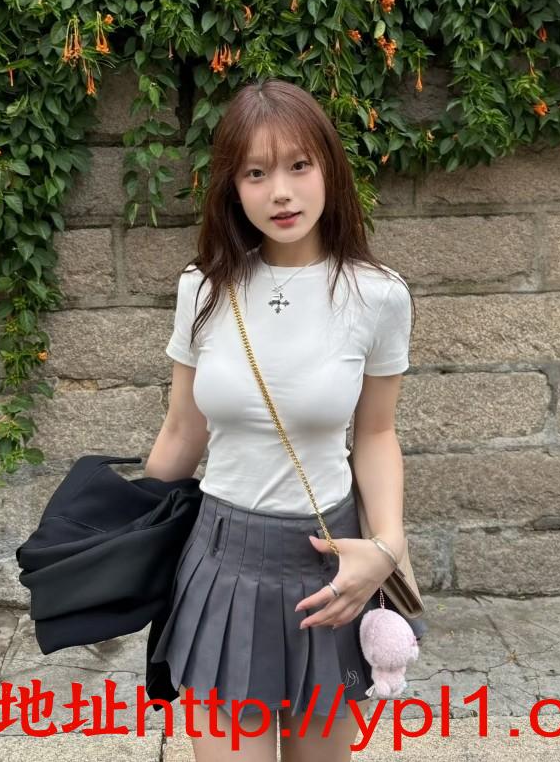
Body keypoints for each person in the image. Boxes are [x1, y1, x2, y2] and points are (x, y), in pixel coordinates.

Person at [145, 78, 424, 761]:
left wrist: (386, 547)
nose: (281, 193)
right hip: (218, 559)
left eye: (299, 165)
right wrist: (128, 540)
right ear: (232, 187)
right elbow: (182, 430)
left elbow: (376, 434)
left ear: (329, 167)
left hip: (328, 566)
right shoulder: (203, 289)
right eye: (256, 173)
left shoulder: (378, 296)